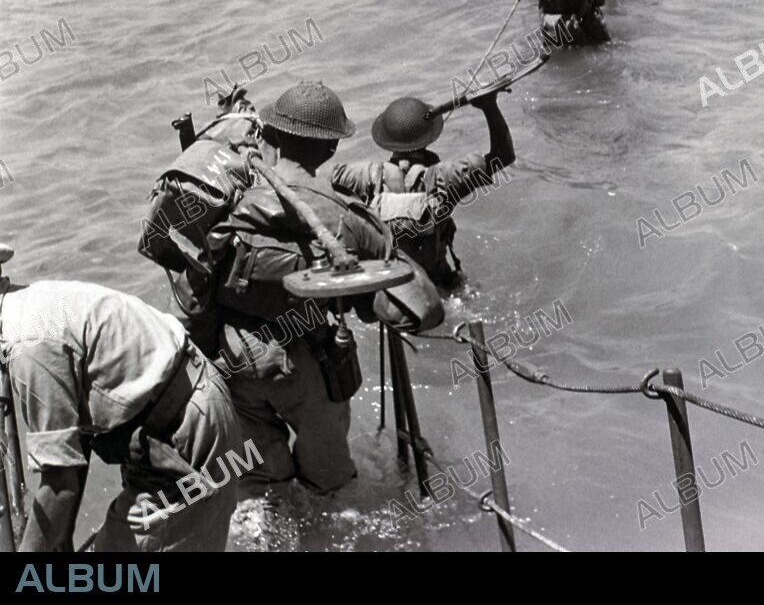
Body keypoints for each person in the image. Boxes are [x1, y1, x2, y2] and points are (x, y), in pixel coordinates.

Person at [205, 82, 442, 515]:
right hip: (305, 366)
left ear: (272, 138)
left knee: (262, 490)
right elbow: (425, 311)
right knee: (330, 488)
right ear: (332, 148)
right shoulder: (346, 218)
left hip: (231, 360)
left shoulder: (232, 199)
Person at [0, 275, 241, 551]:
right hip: (188, 411)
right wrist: (60, 536)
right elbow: (72, 449)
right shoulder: (33, 305)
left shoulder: (29, 347)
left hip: (185, 434)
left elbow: (60, 484)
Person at [330, 92, 515, 291]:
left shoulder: (365, 176)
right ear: (428, 138)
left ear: (386, 139)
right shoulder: (444, 177)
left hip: (391, 290)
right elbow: (503, 156)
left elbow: (327, 179)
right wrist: (489, 106)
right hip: (438, 286)